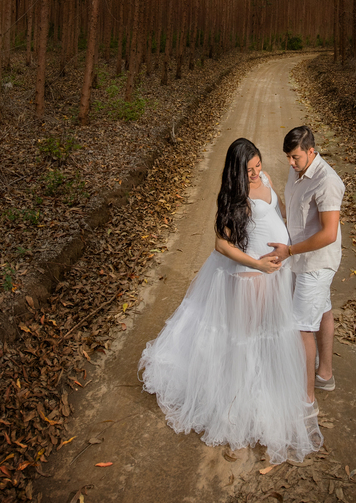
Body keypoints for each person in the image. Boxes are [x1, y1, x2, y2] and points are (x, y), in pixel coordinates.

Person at [139, 138, 322, 464]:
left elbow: (275, 213)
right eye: (249, 170)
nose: (256, 173)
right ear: (236, 172)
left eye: (258, 166)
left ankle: (262, 395)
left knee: (269, 336)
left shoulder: (264, 179)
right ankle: (235, 415)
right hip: (251, 276)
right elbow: (222, 246)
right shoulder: (236, 198)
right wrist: (259, 265)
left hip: (273, 275)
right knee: (245, 342)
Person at [263, 126, 345, 408]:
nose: (290, 162)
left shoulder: (327, 181)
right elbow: (294, 213)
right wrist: (272, 194)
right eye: (288, 156)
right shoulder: (295, 169)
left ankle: (305, 397)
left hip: (316, 263)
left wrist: (290, 251)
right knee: (322, 312)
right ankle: (325, 374)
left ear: (311, 151)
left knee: (301, 327)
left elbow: (329, 233)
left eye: (295, 157)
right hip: (300, 258)